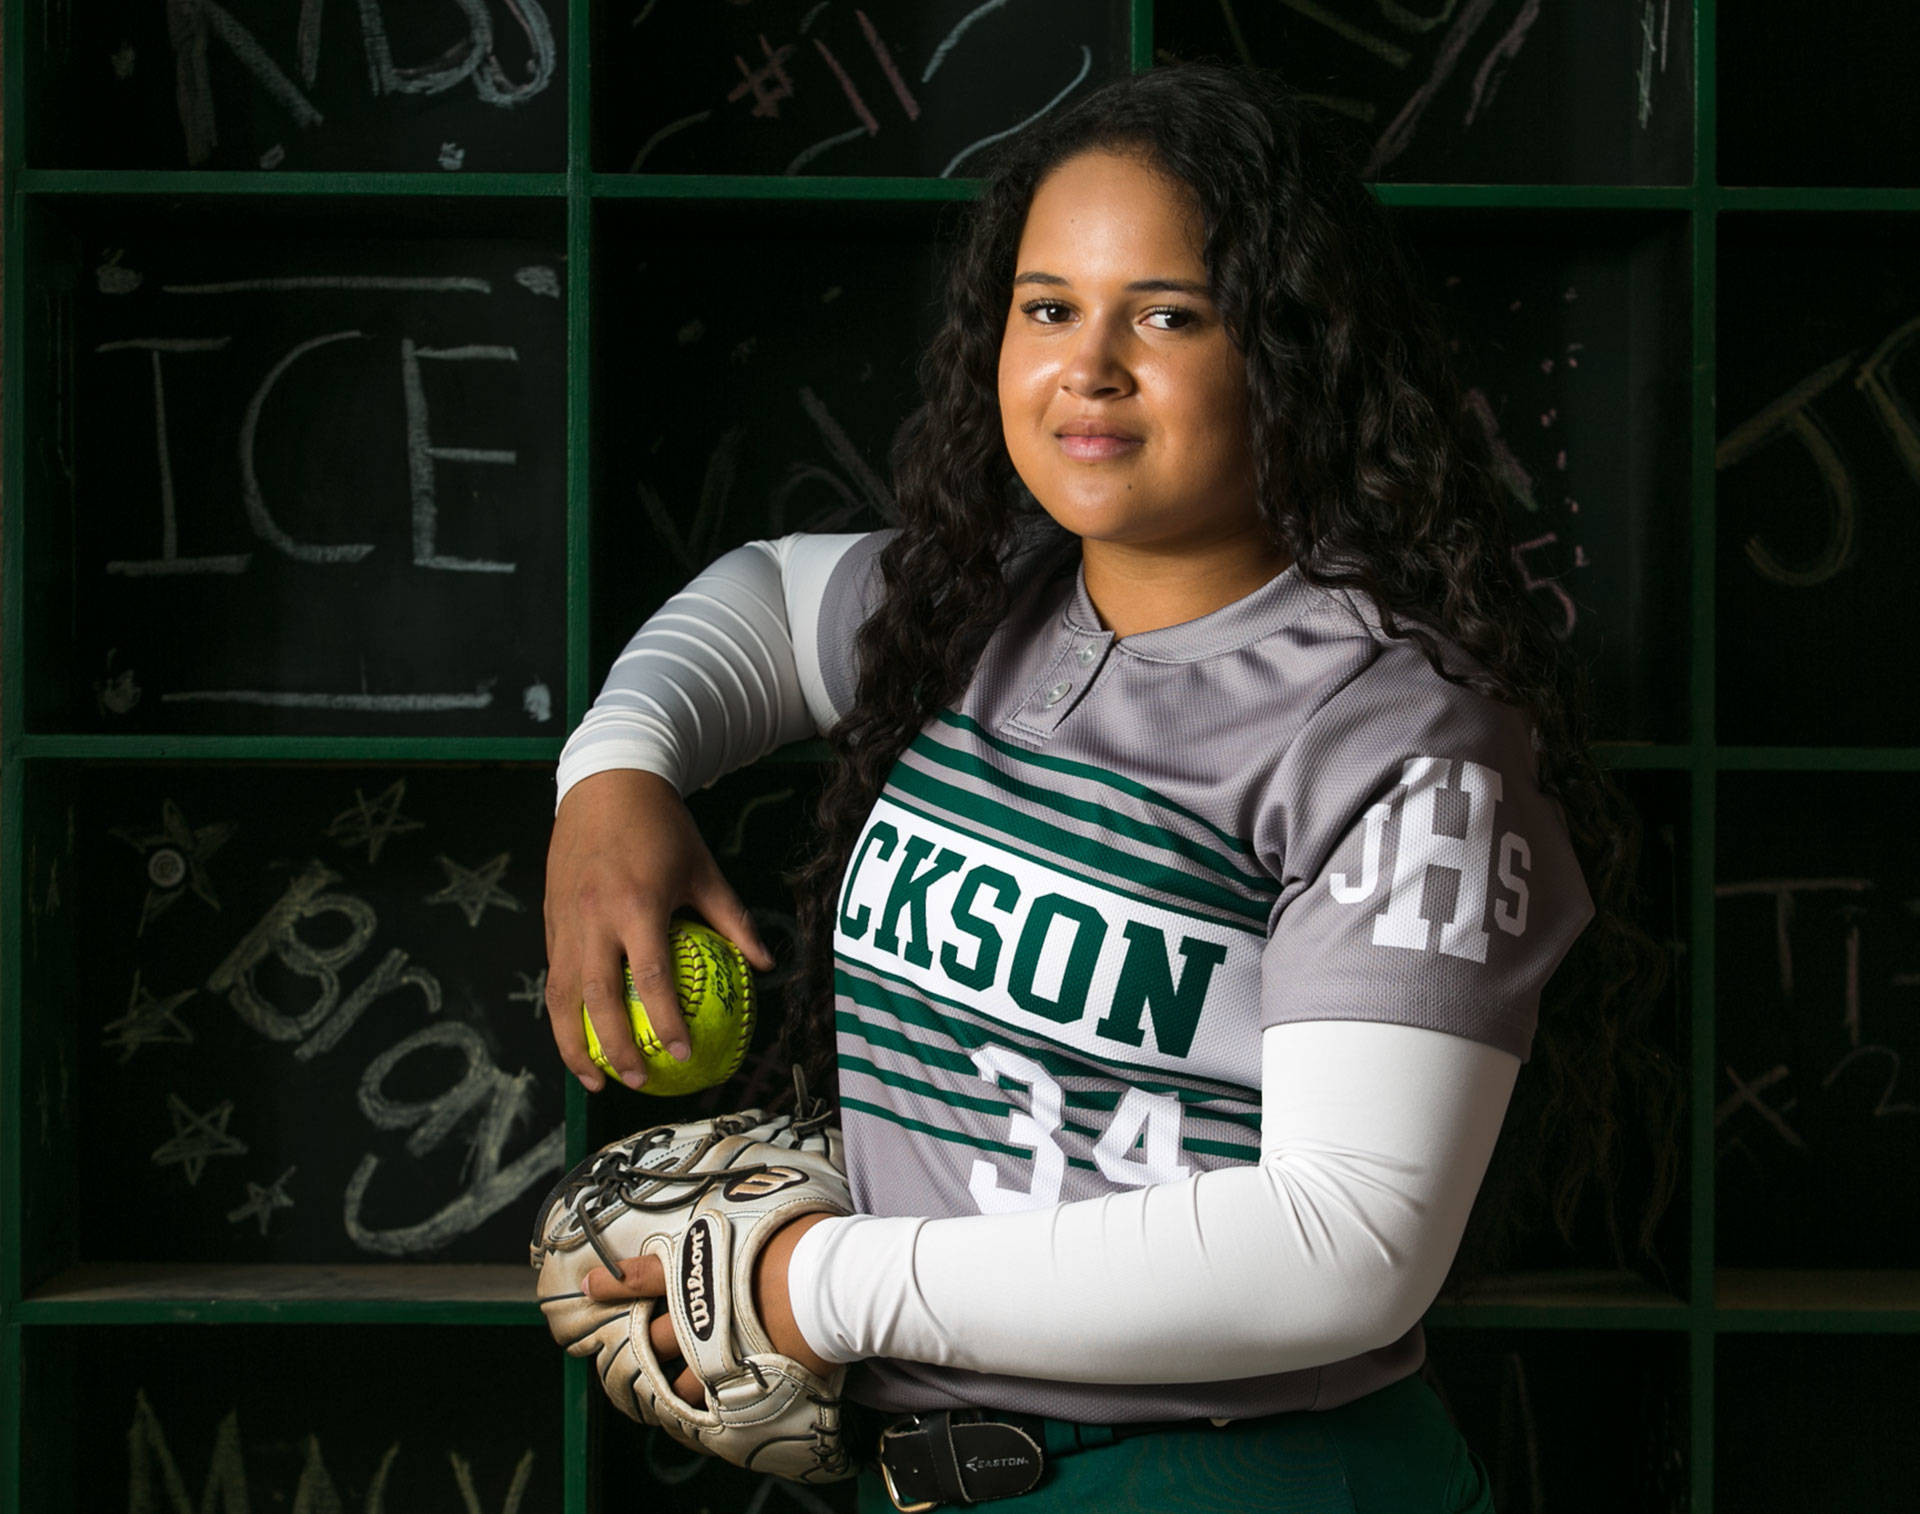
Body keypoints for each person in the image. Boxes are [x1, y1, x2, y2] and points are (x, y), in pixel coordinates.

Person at [543, 63, 1679, 1513]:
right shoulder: (982, 600)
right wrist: (613, 778)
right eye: (1048, 306)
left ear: (1292, 349)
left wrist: (814, 1284)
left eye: (1167, 313)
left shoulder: (1400, 732)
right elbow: (763, 597)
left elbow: (1347, 1242)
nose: (1090, 364)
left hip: (1239, 1479)